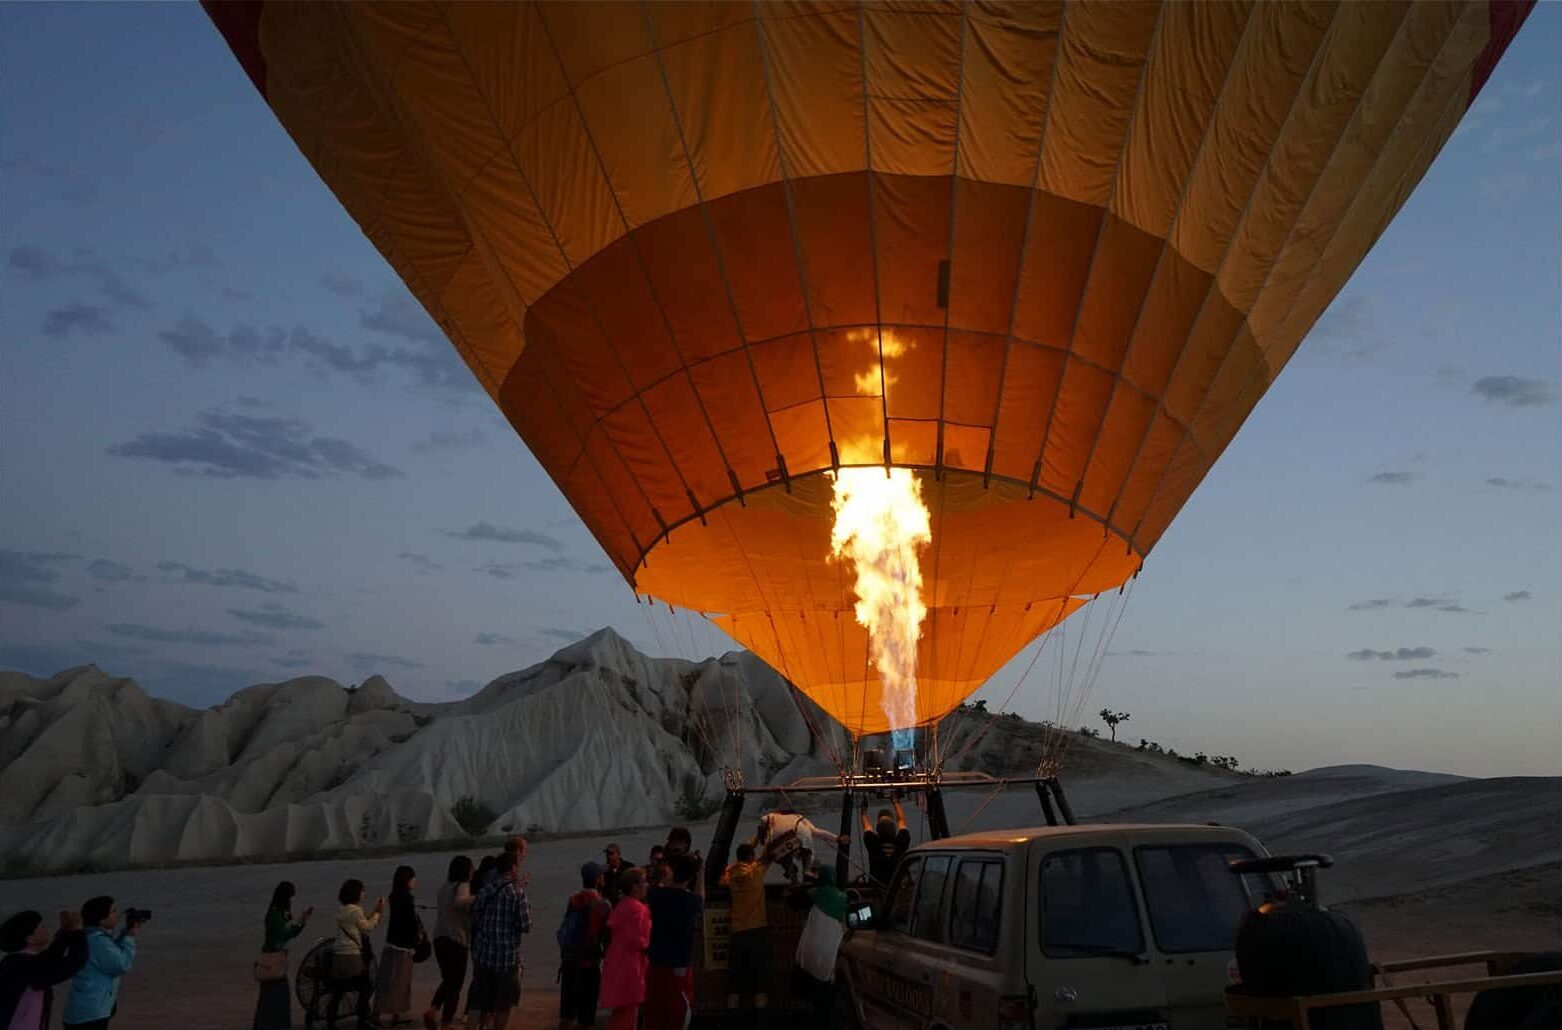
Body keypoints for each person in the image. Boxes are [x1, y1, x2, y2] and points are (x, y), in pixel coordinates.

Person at [468, 849, 531, 1030]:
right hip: (507, 956)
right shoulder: (517, 893)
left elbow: (475, 918)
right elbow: (526, 925)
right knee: (504, 1003)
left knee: (477, 1001)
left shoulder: (486, 890)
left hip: (483, 954)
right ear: (513, 868)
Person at [61, 896, 140, 1030]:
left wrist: (124, 935)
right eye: (113, 911)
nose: (117, 915)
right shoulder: (98, 941)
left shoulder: (90, 937)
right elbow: (121, 964)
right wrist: (130, 938)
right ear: (102, 919)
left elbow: (111, 955)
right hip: (90, 1014)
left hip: (83, 1011)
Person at [0, 909, 87, 1030]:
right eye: (41, 926)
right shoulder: (26, 965)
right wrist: (77, 931)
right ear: (30, 938)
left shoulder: (16, 961)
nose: (46, 928)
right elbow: (73, 963)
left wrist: (66, 932)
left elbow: (49, 957)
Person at [792, 866, 849, 1030]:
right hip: (830, 956)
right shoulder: (844, 899)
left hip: (810, 956)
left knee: (816, 1002)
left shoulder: (813, 894)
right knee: (828, 1002)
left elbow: (794, 900)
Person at [557, 862, 612, 1030]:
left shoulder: (573, 900)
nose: (604, 877)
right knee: (586, 1016)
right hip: (589, 964)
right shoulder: (603, 905)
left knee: (567, 1013)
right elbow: (608, 938)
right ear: (598, 879)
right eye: (602, 875)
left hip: (569, 962)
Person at [423, 856, 473, 1030]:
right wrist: (478, 897)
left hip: (439, 938)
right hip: (456, 939)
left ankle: (432, 1009)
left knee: (448, 980)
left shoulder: (444, 887)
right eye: (471, 868)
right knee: (455, 985)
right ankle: (445, 1023)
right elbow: (460, 903)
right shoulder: (463, 886)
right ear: (466, 870)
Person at [719, 843, 771, 1010]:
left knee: (735, 973)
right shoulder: (755, 871)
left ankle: (732, 1012)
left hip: (737, 930)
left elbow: (722, 881)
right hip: (757, 929)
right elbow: (769, 856)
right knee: (759, 973)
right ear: (751, 857)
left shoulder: (731, 872)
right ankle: (760, 1013)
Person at [598, 869, 651, 1030]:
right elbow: (639, 941)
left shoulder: (622, 905)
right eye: (644, 881)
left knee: (622, 1012)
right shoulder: (638, 910)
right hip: (631, 966)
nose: (647, 885)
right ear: (634, 886)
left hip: (616, 961)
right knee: (628, 1013)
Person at [254, 882, 312, 1030]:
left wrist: (301, 922)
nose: (291, 901)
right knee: (276, 996)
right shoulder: (276, 914)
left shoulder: (275, 912)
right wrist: (301, 922)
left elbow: (287, 933)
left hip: (270, 959)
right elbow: (284, 934)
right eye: (291, 897)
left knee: (269, 997)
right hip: (274, 960)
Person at [329, 879, 385, 1030]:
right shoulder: (356, 910)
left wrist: (373, 911)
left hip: (338, 957)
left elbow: (358, 923)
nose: (363, 893)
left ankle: (330, 1022)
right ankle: (362, 1021)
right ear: (356, 893)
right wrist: (378, 914)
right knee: (365, 986)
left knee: (337, 992)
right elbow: (367, 928)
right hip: (351, 957)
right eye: (362, 891)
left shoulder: (341, 910)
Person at [376, 866, 421, 1026]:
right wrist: (416, 940)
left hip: (391, 942)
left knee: (388, 980)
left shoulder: (393, 896)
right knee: (401, 982)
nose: (415, 881)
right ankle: (397, 1014)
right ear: (407, 880)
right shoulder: (407, 898)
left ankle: (383, 1012)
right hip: (403, 946)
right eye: (413, 878)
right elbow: (410, 923)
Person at [754, 808, 847, 884]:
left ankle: (793, 878)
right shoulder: (800, 818)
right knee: (807, 852)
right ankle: (807, 869)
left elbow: (762, 823)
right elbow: (817, 832)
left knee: (786, 860)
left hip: (779, 845)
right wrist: (837, 839)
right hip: (799, 837)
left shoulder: (770, 816)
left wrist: (761, 840)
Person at [860, 799, 910, 886]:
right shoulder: (902, 841)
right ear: (894, 828)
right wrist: (895, 801)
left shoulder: (873, 844)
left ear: (877, 829)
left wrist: (863, 810)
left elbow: (866, 825)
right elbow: (901, 820)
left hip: (876, 890)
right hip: (898, 890)